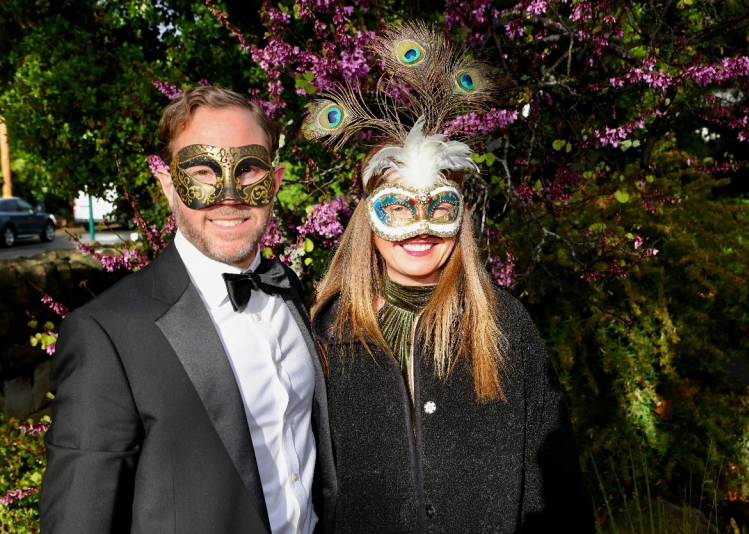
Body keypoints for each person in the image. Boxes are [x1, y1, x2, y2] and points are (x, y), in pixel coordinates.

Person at [304, 23, 595, 533]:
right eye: (397, 209)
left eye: (438, 207)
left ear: (459, 217)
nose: (419, 229)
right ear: (367, 221)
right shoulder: (326, 331)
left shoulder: (505, 324)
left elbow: (555, 475)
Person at [40, 85, 336, 534]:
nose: (229, 194)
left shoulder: (288, 292)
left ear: (274, 183)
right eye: (201, 171)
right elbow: (81, 519)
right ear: (167, 184)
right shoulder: (107, 333)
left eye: (250, 170)